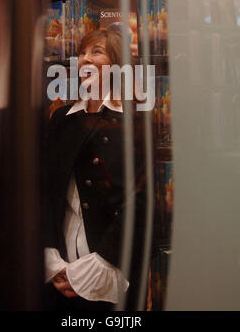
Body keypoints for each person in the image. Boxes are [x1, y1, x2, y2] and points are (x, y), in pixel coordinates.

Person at [42, 29, 149, 311]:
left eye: (96, 52)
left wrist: (98, 265)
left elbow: (140, 203)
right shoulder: (61, 121)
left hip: (110, 271)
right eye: (81, 54)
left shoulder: (133, 124)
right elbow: (44, 192)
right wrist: (52, 258)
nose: (85, 59)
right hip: (59, 267)